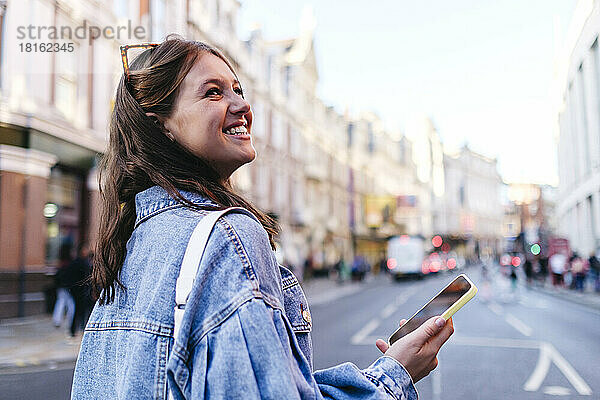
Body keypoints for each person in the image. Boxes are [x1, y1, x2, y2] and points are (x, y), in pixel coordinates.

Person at [71, 36, 454, 399]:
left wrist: (383, 372)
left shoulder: (130, 241)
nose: (242, 105)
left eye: (238, 89)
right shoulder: (226, 236)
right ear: (161, 125)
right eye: (213, 92)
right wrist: (393, 377)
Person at [52, 243, 75, 331]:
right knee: (70, 304)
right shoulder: (69, 263)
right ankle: (70, 320)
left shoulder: (61, 263)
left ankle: (57, 320)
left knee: (61, 302)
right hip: (67, 287)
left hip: (61, 286)